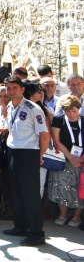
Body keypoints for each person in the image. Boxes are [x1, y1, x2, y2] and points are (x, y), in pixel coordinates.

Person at [0, 76, 50, 246]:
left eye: (14, 88)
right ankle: (20, 226)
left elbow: (44, 135)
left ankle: (36, 233)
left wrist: (40, 155)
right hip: (14, 152)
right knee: (17, 192)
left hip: (30, 154)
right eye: (8, 88)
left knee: (31, 195)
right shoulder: (10, 106)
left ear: (22, 90)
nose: (11, 91)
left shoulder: (33, 109)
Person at [50, 95, 84, 227]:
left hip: (81, 160)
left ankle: (76, 216)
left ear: (79, 109)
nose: (71, 114)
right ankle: (62, 214)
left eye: (74, 111)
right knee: (62, 186)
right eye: (68, 111)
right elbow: (57, 141)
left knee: (79, 186)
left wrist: (80, 159)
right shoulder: (59, 120)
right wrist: (71, 157)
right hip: (64, 158)